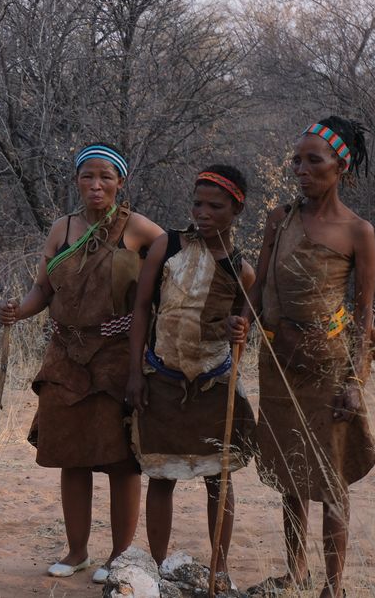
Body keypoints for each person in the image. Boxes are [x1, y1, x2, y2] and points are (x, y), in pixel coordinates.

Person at [0, 143, 163, 583]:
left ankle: (121, 557)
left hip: (116, 359)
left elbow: (172, 275)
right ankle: (76, 553)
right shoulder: (63, 229)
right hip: (65, 358)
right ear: (76, 181)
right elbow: (42, 290)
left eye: (105, 177)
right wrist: (19, 310)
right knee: (71, 456)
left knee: (120, 460)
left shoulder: (141, 231)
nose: (96, 185)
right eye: (87, 176)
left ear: (120, 183)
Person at [230, 117, 375, 598]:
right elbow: (262, 284)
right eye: (297, 159)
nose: (301, 169)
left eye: (314, 160)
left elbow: (364, 316)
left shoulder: (358, 231)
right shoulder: (280, 218)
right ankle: (295, 571)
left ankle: (333, 587)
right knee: (292, 470)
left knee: (330, 477)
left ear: (341, 167)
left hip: (328, 366)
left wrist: (357, 381)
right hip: (277, 359)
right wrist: (246, 323)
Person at [126, 166, 256, 584]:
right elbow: (142, 308)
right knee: (161, 475)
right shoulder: (168, 245)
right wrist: (135, 373)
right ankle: (162, 569)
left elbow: (243, 325)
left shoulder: (242, 269)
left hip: (214, 383)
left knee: (218, 479)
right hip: (161, 375)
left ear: (236, 209)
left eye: (215, 206)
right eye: (197, 203)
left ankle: (219, 569)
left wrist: (241, 330)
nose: (203, 212)